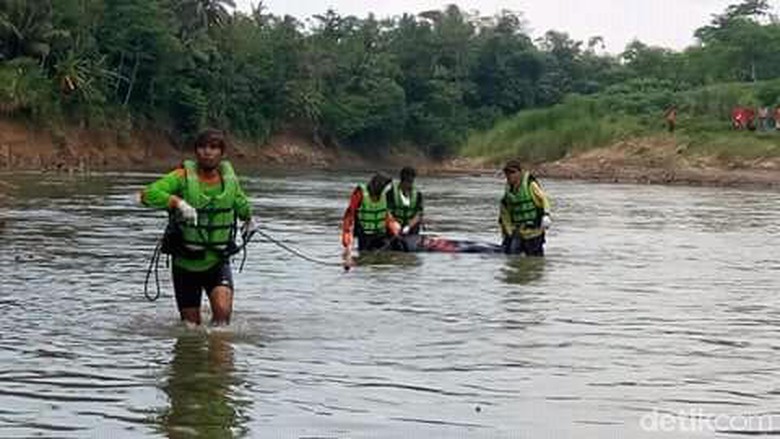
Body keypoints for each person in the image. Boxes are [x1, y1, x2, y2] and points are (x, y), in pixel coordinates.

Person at [139, 129, 255, 326]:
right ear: (195, 152)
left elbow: (243, 206)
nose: (207, 152)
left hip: (217, 262)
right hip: (185, 264)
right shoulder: (181, 177)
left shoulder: (230, 182)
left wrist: (249, 220)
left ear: (222, 153)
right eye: (202, 147)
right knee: (191, 327)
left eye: (213, 147)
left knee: (222, 317)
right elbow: (147, 194)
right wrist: (177, 203)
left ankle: (219, 353)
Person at [341, 173, 401, 260]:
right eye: (385, 187)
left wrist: (395, 227)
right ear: (379, 185)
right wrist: (348, 244)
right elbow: (349, 216)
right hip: (365, 236)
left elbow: (386, 215)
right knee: (365, 259)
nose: (386, 190)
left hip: (381, 235)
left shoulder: (383, 195)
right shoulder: (360, 193)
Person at [499, 160, 552, 256]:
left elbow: (544, 200)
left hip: (534, 232)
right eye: (507, 172)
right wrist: (508, 232)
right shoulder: (508, 191)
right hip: (518, 232)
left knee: (534, 261)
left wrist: (546, 215)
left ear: (520, 172)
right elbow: (504, 213)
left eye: (512, 172)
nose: (509, 175)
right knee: (513, 260)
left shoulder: (530, 185)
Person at [386, 166, 424, 251]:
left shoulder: (418, 195)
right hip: (394, 228)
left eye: (411, 181)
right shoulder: (391, 193)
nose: (409, 185)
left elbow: (419, 214)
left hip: (411, 229)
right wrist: (395, 225)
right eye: (407, 182)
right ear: (402, 181)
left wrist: (408, 226)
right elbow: (387, 212)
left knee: (409, 248)